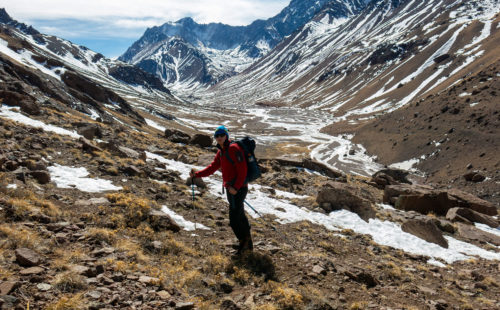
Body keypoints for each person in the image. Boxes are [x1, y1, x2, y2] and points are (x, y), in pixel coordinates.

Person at [190, 125, 253, 254]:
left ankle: (245, 244)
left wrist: (236, 187)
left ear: (226, 136)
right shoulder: (221, 151)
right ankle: (246, 243)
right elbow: (212, 167)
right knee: (239, 215)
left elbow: (242, 170)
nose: (219, 138)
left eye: (221, 135)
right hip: (231, 189)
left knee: (235, 218)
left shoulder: (234, 149)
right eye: (216, 136)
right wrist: (197, 175)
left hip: (238, 189)